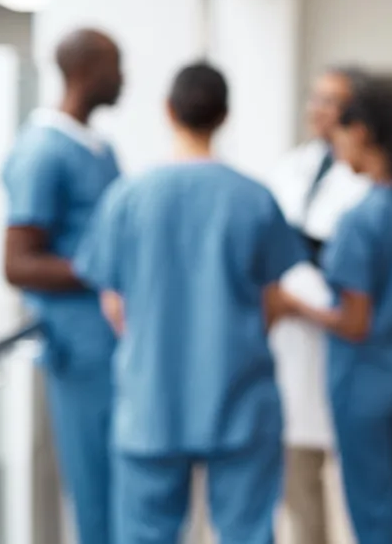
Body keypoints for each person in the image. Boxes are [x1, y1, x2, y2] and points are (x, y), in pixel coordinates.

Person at [74, 62, 305, 544]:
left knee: (145, 535)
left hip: (151, 402)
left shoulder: (126, 199)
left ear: (167, 111)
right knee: (246, 533)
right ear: (224, 116)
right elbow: (273, 301)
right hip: (239, 396)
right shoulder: (254, 199)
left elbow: (114, 305)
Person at [276, 81, 392, 544]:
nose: (338, 144)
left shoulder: (360, 220)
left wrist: (292, 302)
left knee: (372, 510)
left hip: (362, 388)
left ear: (362, 133)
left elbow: (354, 320)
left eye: (342, 132)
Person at [2, 28, 123, 544]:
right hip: (78, 345)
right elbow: (18, 263)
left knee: (125, 489)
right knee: (95, 490)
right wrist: (102, 270)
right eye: (117, 65)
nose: (123, 78)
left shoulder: (97, 148)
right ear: (90, 70)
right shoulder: (42, 151)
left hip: (112, 341)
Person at [266, 67, 369, 544]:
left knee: (366, 493)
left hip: (351, 347)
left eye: (332, 101)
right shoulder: (291, 168)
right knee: (300, 489)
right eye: (316, 98)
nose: (319, 110)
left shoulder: (370, 185)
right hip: (293, 347)